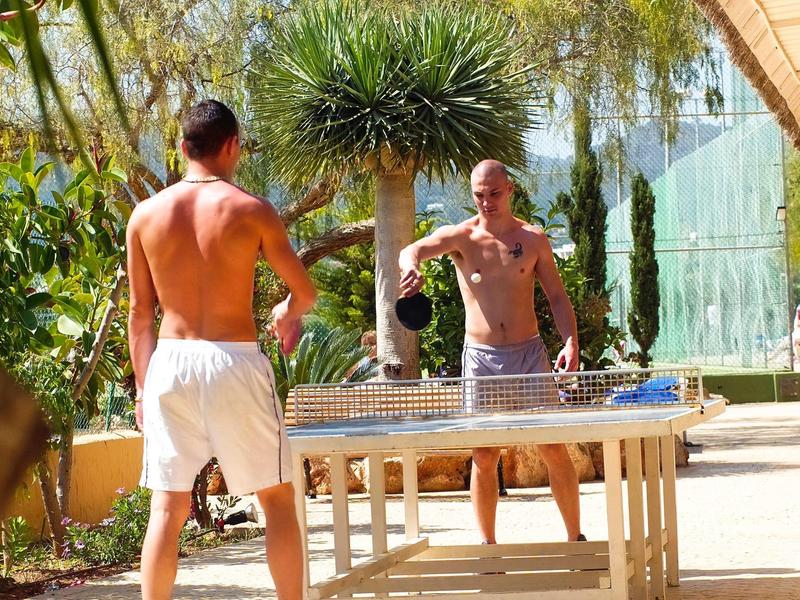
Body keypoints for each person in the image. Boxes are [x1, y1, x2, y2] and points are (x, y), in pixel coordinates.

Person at [127, 99, 316, 600]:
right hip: (233, 359)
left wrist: (144, 390)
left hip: (169, 363)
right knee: (276, 499)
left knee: (167, 509)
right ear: (232, 145)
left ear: (183, 147)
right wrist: (286, 313)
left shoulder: (144, 216)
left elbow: (140, 315)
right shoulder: (252, 210)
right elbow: (306, 293)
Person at [398, 159, 583, 544]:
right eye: (479, 195)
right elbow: (412, 249)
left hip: (529, 356)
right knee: (484, 454)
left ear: (510, 189)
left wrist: (570, 341)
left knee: (553, 444)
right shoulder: (461, 238)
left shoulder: (533, 240)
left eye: (494, 193)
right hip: (481, 359)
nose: (486, 202)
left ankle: (575, 538)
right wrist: (411, 267)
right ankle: (488, 546)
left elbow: (557, 298)